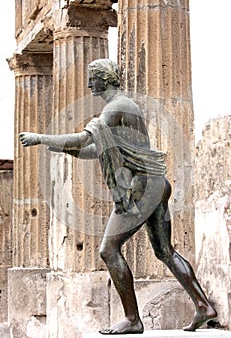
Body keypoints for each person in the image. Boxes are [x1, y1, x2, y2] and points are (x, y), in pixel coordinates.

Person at [19, 59, 217, 335]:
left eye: (93, 77)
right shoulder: (121, 108)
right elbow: (92, 151)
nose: (89, 83)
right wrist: (61, 148)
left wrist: (41, 137)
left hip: (141, 188)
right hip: (155, 183)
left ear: (106, 78)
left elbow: (81, 141)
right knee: (164, 251)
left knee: (108, 250)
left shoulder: (116, 107)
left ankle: (133, 319)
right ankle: (203, 307)